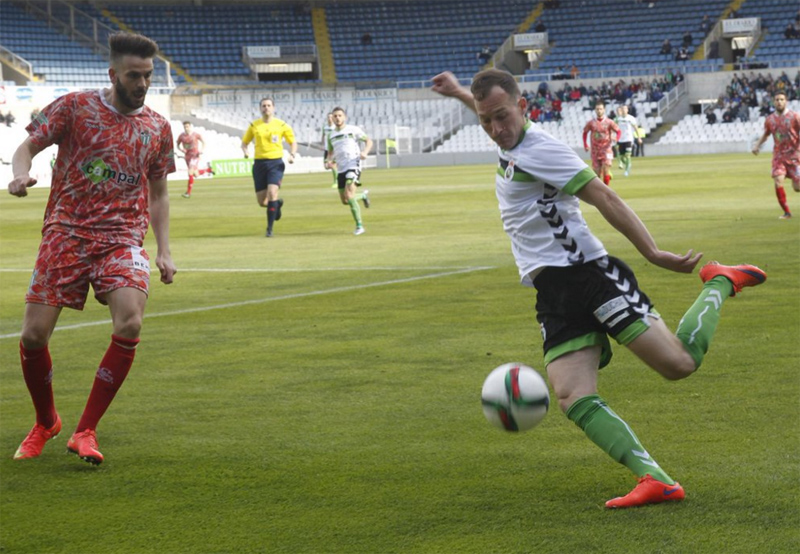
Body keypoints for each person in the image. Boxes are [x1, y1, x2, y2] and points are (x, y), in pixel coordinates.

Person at [431, 68, 766, 509]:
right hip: (552, 291)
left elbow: (605, 197)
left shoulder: (542, 149)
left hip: (590, 277)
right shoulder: (508, 137)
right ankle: (656, 478)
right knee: (572, 396)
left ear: (523, 109)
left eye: (502, 117)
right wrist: (460, 93)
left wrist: (653, 253)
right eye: (485, 121)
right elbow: (490, 108)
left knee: (680, 365)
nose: (495, 129)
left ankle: (720, 281)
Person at [8, 31, 177, 466]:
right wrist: (20, 176)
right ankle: (46, 421)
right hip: (66, 232)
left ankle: (85, 430)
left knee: (130, 323)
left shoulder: (157, 127)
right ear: (113, 74)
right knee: (32, 335)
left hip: (121, 239)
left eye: (148, 75)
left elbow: (158, 194)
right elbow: (26, 146)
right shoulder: (76, 106)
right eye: (133, 76)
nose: (142, 84)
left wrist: (164, 250)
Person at [241, 97, 297, 237]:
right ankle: (277, 205)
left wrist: (292, 154)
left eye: (269, 105)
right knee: (263, 202)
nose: (266, 108)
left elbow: (293, 142)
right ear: (260, 108)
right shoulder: (254, 126)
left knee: (272, 193)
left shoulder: (282, 125)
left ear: (273, 108)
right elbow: (244, 142)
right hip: (259, 164)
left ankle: (269, 229)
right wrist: (246, 151)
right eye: (264, 106)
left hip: (275, 163)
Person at [324, 107, 373, 235]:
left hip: (353, 164)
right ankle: (363, 196)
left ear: (344, 117)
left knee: (349, 195)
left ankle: (359, 226)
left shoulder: (353, 130)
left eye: (340, 115)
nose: (337, 118)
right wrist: (328, 162)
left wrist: (365, 152)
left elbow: (368, 141)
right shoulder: (331, 135)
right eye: (335, 116)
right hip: (341, 168)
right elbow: (330, 152)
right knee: (345, 200)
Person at [752, 91, 800, 219]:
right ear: (774, 102)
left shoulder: (795, 117)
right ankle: (787, 213)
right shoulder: (770, 120)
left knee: (797, 187)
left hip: (795, 156)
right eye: (777, 99)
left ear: (786, 101)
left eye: (782, 99)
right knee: (778, 180)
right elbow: (766, 134)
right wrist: (757, 145)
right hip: (779, 156)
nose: (779, 102)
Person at [582, 100, 620, 186]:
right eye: (597, 109)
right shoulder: (591, 123)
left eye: (601, 109)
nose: (599, 111)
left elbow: (618, 131)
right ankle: (602, 187)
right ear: (595, 110)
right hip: (595, 150)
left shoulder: (609, 122)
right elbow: (585, 133)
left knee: (606, 169)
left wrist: (617, 138)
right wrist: (585, 144)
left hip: (606, 149)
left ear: (604, 110)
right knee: (597, 174)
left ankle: (606, 190)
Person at [176, 121, 213, 198]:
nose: (186, 128)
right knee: (196, 174)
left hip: (195, 156)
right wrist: (181, 150)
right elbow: (177, 145)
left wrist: (201, 150)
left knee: (190, 172)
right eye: (185, 127)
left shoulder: (195, 135)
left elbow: (203, 142)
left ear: (190, 126)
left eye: (187, 126)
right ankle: (208, 170)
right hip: (187, 157)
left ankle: (188, 193)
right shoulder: (181, 136)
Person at [615, 104, 642, 176]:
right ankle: (628, 164)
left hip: (628, 139)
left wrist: (639, 137)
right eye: (622, 109)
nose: (623, 110)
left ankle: (626, 170)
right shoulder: (618, 119)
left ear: (627, 110)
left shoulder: (631, 118)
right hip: (620, 139)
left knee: (627, 155)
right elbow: (614, 128)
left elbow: (636, 128)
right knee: (621, 156)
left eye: (625, 109)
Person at [321, 112, 338, 188]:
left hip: (333, 149)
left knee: (332, 165)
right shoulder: (324, 126)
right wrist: (322, 144)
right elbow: (323, 136)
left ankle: (336, 182)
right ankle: (338, 172)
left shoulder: (335, 127)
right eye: (328, 117)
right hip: (326, 149)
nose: (330, 119)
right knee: (326, 166)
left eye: (331, 117)